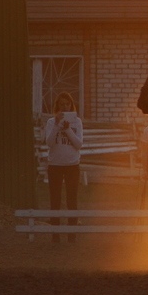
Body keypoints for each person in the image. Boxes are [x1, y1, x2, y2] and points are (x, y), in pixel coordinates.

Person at [43, 93, 83, 243]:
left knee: (72, 199)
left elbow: (78, 144)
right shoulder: (51, 122)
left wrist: (67, 130)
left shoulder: (77, 122)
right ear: (57, 107)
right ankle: (56, 234)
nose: (64, 107)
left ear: (71, 106)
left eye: (67, 104)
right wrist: (57, 125)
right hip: (55, 165)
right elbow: (49, 143)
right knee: (55, 200)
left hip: (72, 165)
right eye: (62, 104)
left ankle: (71, 234)